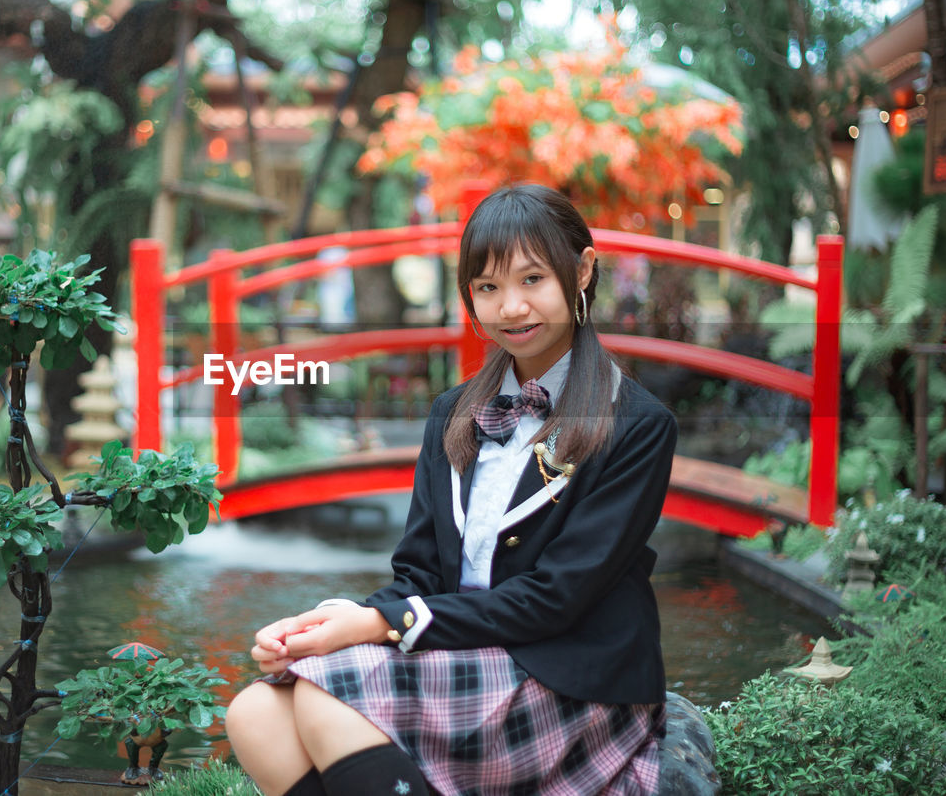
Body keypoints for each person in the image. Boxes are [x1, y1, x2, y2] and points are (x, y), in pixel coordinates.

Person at [225, 184, 678, 796]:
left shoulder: (637, 423)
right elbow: (418, 572)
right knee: (252, 715)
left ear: (583, 271)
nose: (511, 308)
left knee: (327, 699)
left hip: (567, 672)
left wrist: (381, 624)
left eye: (532, 280)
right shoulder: (453, 412)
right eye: (488, 288)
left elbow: (555, 600)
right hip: (462, 649)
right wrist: (341, 619)